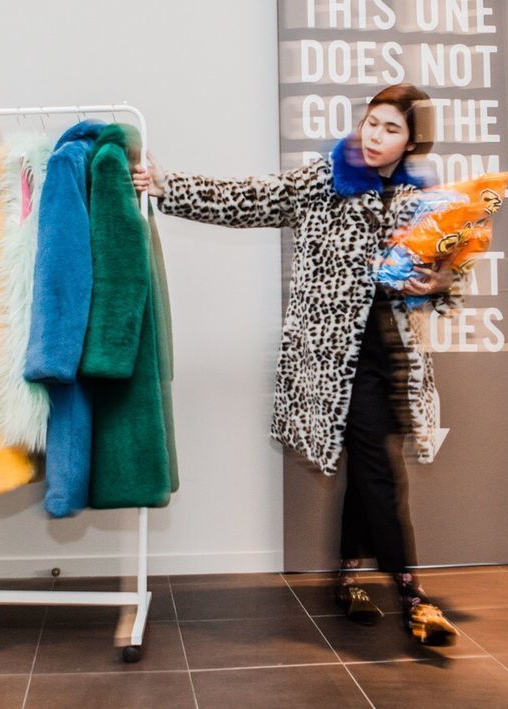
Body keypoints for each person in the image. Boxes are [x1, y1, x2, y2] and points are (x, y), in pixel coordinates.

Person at [133, 83, 461, 645]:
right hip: (335, 362)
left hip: (395, 358)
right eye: (371, 122)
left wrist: (440, 280)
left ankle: (349, 575)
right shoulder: (324, 178)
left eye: (391, 128)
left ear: (412, 141)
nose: (375, 136)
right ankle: (413, 594)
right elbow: (251, 198)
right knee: (382, 471)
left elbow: (448, 272)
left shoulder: (423, 199)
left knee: (370, 467)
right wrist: (170, 187)